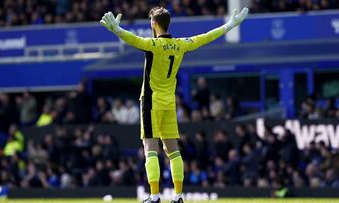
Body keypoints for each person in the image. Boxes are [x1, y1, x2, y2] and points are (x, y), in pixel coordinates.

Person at [100, 6, 249, 203]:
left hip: (151, 101)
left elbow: (133, 40)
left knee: (150, 149)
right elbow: (206, 37)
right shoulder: (181, 44)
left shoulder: (152, 45)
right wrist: (229, 25)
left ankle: (154, 196)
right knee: (173, 151)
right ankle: (178, 196)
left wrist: (117, 31)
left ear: (153, 23)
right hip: (170, 102)